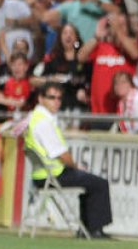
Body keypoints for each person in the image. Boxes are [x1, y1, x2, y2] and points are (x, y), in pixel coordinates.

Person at [24, 81, 113, 238]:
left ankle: (87, 229)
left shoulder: (35, 117)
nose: (56, 101)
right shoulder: (44, 122)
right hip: (53, 174)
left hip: (41, 175)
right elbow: (62, 155)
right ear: (40, 99)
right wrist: (76, 166)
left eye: (59, 98)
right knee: (99, 184)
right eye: (52, 97)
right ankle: (94, 230)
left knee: (90, 183)